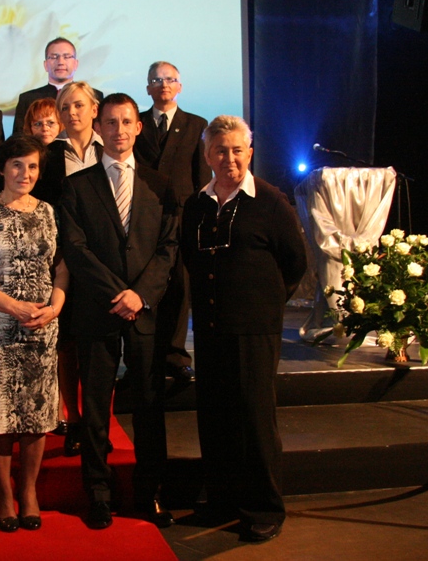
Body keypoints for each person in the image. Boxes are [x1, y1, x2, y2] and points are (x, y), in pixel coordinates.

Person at [180, 115, 307, 543]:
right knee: (215, 417)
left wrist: (265, 303)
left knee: (254, 419)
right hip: (211, 327)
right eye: (220, 150)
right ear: (207, 155)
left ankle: (264, 507)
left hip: (255, 329)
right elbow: (190, 258)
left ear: (249, 153)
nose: (229, 158)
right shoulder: (197, 205)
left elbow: (295, 262)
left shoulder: (270, 201)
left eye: (237, 150)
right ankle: (222, 500)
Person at [58, 93, 178, 530]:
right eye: (110, 122)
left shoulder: (161, 185)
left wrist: (140, 295)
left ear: (138, 127)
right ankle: (98, 493)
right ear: (98, 127)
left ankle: (151, 493)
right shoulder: (76, 185)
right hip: (97, 309)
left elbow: (168, 248)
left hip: (144, 312)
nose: (119, 130)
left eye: (127, 122)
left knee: (148, 404)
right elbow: (75, 248)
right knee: (94, 408)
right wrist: (117, 294)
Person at [0, 135, 69, 533]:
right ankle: (3, 493)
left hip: (42, 329)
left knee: (38, 414)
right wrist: (13, 307)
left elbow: (61, 270)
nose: (25, 173)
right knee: (0, 414)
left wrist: (55, 307)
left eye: (33, 166)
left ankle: (29, 492)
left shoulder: (49, 212)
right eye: (18, 165)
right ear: (3, 169)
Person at [33, 82, 104, 455]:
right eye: (65, 107)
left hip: (106, 263)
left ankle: (97, 421)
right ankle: (73, 418)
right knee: (67, 344)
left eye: (78, 105)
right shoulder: (47, 158)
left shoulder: (112, 150)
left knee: (101, 346)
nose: (72, 112)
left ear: (94, 109)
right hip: (62, 262)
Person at [134, 61, 211, 384]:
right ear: (147, 88)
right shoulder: (135, 123)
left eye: (170, 79)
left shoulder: (196, 124)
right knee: (146, 283)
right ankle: (146, 356)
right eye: (156, 80)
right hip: (143, 215)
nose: (163, 84)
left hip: (181, 217)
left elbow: (201, 178)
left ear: (179, 86)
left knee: (179, 286)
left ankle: (176, 356)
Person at [12, 38, 103, 135]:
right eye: (54, 57)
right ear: (45, 65)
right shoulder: (27, 99)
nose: (60, 62)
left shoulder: (93, 95)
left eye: (67, 57)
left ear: (76, 64)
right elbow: (18, 138)